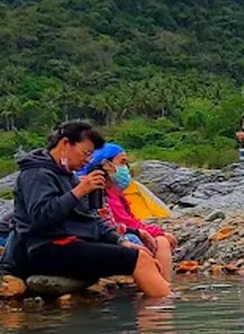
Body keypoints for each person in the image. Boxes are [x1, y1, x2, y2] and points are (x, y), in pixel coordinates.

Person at [10, 120, 171, 297]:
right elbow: (41, 217)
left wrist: (121, 241)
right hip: (46, 250)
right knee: (138, 260)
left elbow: (91, 217)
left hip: (72, 245)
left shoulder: (67, 175)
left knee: (140, 254)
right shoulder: (37, 174)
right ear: (65, 144)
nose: (87, 160)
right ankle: (163, 313)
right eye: (85, 153)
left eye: (90, 156)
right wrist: (79, 191)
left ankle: (159, 305)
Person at [78, 143, 177, 280]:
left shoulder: (113, 193)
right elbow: (114, 224)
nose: (126, 169)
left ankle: (160, 285)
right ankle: (161, 284)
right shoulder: (97, 192)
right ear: (106, 165)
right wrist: (152, 232)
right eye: (122, 162)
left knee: (157, 240)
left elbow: (127, 222)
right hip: (98, 240)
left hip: (109, 235)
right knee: (157, 241)